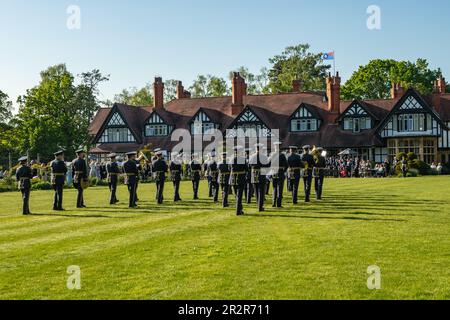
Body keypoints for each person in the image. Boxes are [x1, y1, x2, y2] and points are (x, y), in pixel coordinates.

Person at [249, 144, 269, 212]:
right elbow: (267, 165)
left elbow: (249, 165)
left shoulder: (251, 156)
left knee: (256, 191)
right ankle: (260, 206)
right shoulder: (264, 157)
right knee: (261, 191)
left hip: (254, 174)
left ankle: (258, 205)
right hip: (261, 174)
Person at [230, 146, 248, 216]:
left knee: (236, 195)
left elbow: (229, 169)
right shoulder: (243, 159)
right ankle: (238, 211)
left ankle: (240, 208)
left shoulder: (231, 159)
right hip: (241, 178)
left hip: (233, 179)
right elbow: (246, 169)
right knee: (239, 196)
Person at [269, 142, 288, 208]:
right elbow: (286, 165)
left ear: (275, 147)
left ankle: (273, 203)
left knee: (274, 188)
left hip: (273, 172)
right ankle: (278, 204)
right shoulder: (282, 155)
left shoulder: (272, 154)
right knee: (279, 189)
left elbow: (268, 164)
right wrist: (283, 171)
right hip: (280, 172)